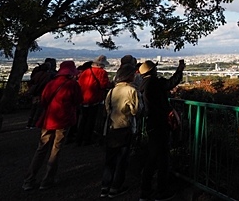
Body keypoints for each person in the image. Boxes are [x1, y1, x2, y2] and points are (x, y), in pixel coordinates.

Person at [22, 60, 82, 191]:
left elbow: (44, 100)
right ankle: (47, 179)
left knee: (41, 148)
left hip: (49, 119)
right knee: (56, 149)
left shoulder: (51, 83)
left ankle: (29, 179)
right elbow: (78, 101)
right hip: (64, 120)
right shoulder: (72, 85)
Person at [138, 59, 185, 201]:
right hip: (160, 123)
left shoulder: (143, 84)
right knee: (163, 158)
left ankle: (145, 191)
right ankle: (162, 191)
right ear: (152, 71)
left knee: (152, 158)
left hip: (151, 123)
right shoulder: (154, 82)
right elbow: (171, 83)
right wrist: (180, 69)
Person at [100, 64, 142, 199]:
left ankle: (105, 186)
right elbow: (136, 110)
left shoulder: (111, 91)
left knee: (110, 159)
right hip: (125, 127)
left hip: (111, 127)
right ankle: (115, 187)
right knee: (122, 159)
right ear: (130, 76)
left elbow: (106, 109)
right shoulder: (132, 91)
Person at [75, 54, 111, 146]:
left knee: (83, 119)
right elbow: (104, 85)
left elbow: (80, 84)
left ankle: (78, 138)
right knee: (91, 120)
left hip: (83, 99)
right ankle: (87, 139)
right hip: (94, 98)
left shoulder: (86, 72)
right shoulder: (102, 73)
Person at [26, 58, 57, 128]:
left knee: (33, 109)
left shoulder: (37, 74)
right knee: (39, 109)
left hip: (35, 93)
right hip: (42, 93)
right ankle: (35, 123)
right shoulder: (49, 75)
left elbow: (31, 81)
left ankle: (29, 123)